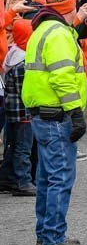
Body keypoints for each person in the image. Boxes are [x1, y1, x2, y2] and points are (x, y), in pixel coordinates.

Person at [22, 0, 87, 245]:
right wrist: (75, 112)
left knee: (47, 178)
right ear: (68, 9)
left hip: (42, 115)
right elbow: (62, 77)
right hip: (57, 116)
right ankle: (53, 238)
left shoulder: (42, 29)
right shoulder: (59, 34)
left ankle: (45, 234)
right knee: (60, 178)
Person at [0, 19, 35, 197]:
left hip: (13, 111)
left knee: (12, 145)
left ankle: (6, 177)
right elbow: (27, 92)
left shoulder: (13, 54)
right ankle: (23, 181)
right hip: (24, 113)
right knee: (23, 147)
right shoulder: (24, 62)